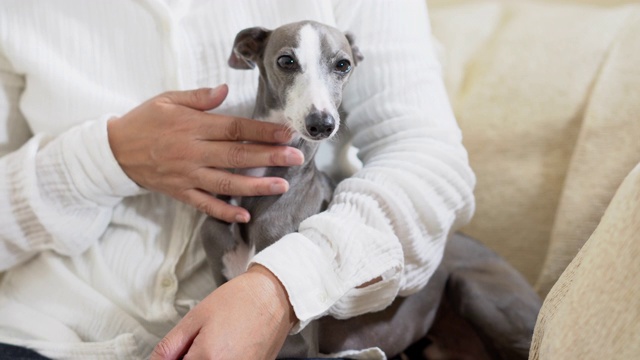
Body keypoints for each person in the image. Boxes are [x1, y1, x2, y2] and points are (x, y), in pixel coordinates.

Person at [0, 0, 476, 359]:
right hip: (44, 332)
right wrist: (106, 157)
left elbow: (431, 162)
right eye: (288, 63)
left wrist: (285, 287)